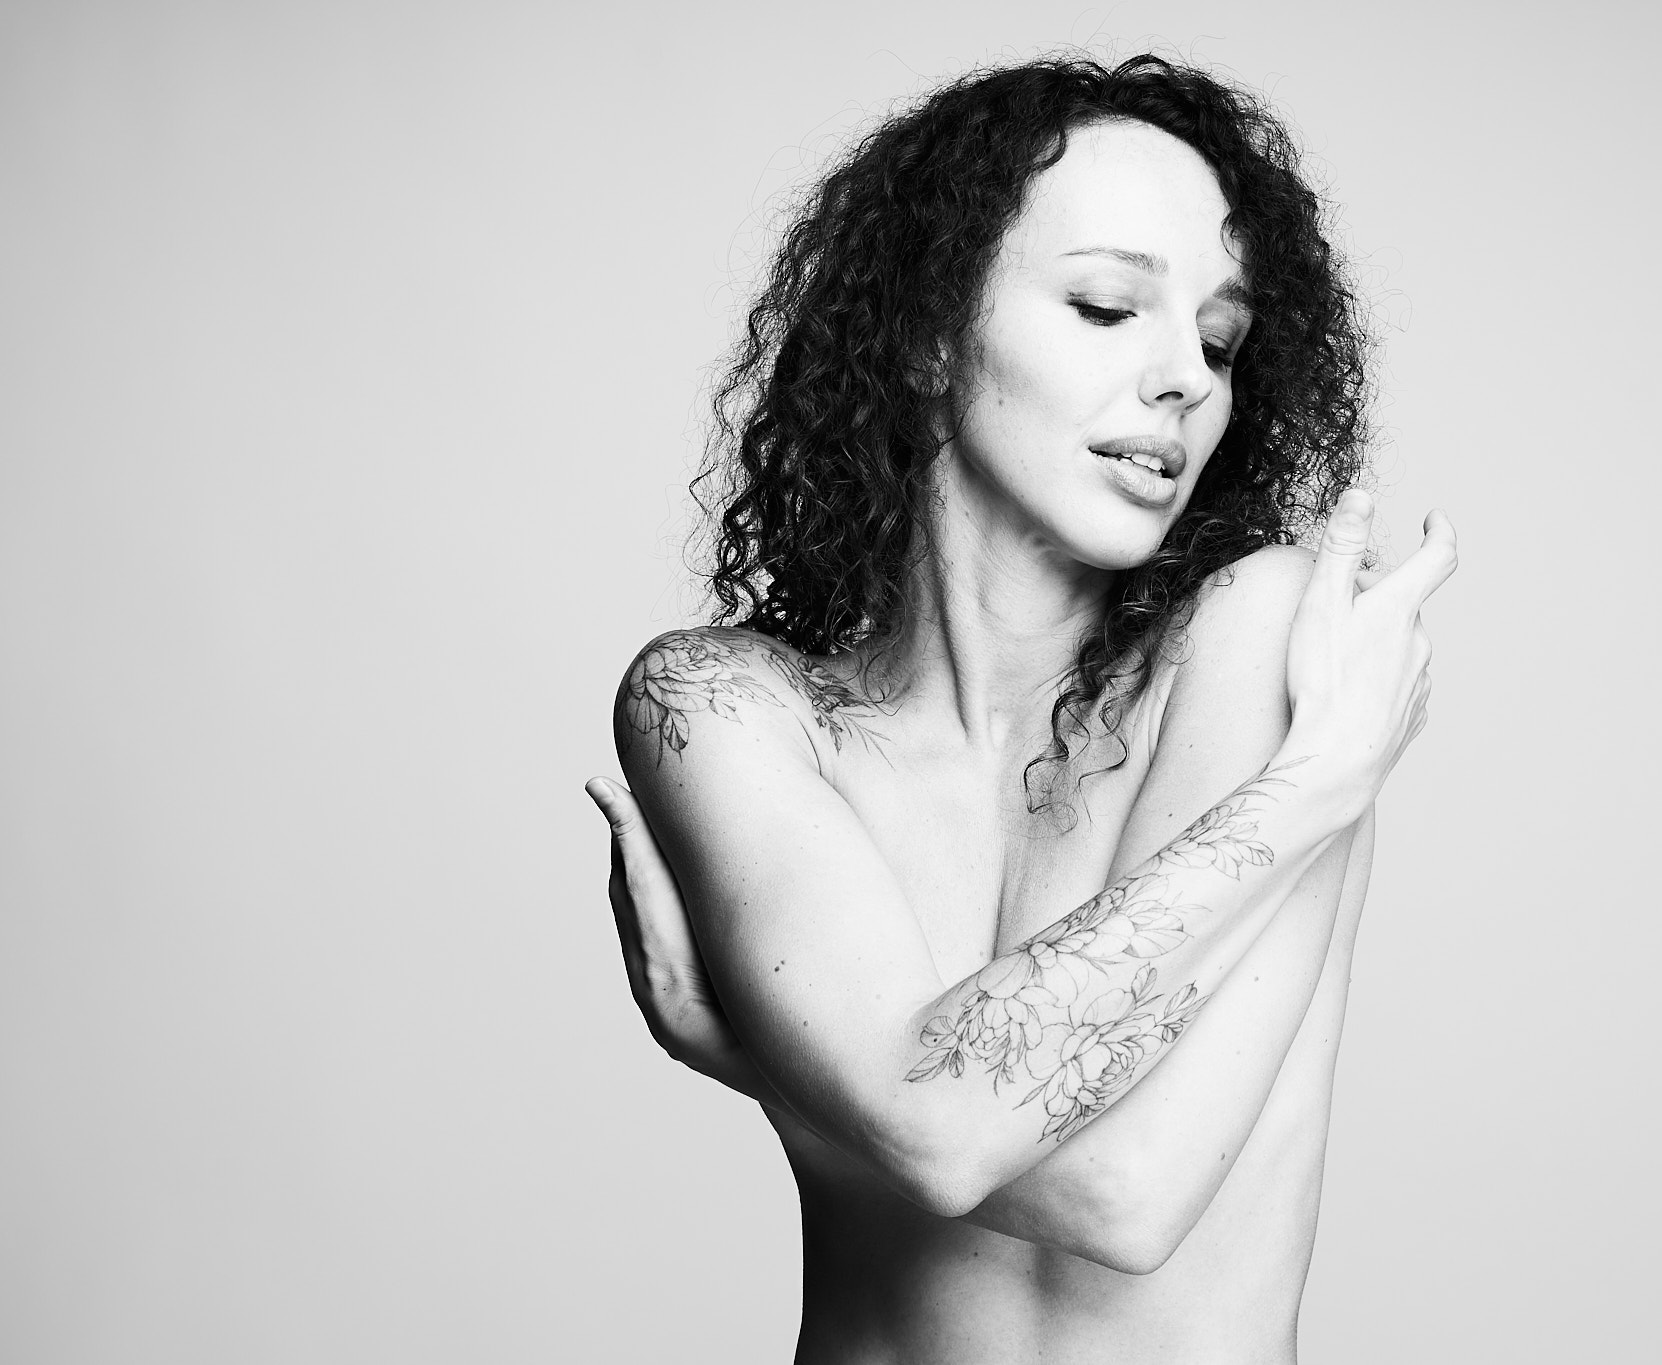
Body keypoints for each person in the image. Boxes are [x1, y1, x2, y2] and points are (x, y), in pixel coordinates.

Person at [584, 54, 1457, 1364]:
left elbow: (1127, 1194)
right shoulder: (722, 705)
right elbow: (938, 1136)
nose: (1187, 376)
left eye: (1219, 340)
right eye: (1107, 307)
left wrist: (804, 1072)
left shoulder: (1263, 637)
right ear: (929, 331)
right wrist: (1309, 793)